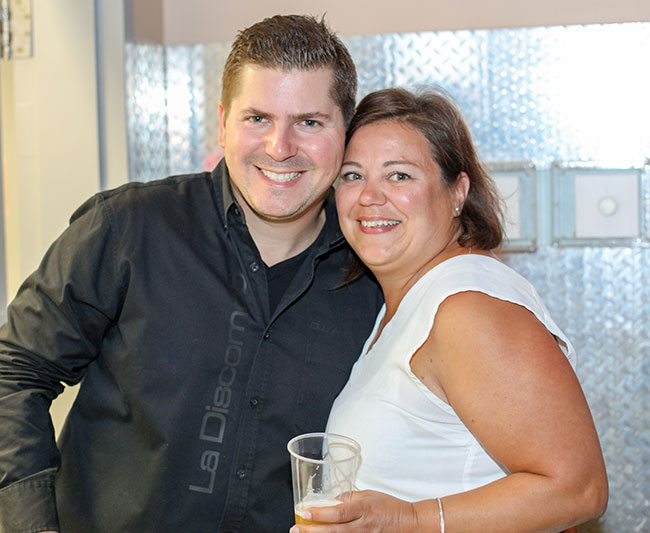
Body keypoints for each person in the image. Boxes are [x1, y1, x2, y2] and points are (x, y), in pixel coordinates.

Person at [0, 15, 382, 532]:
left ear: (346, 132)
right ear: (223, 124)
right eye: (257, 118)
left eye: (309, 122)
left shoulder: (377, 275)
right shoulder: (128, 228)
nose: (280, 147)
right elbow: (15, 372)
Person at [295, 88, 608, 532]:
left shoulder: (467, 308)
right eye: (352, 175)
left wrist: (408, 520)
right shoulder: (407, 304)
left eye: (399, 175)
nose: (369, 196)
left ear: (457, 192)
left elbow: (578, 489)